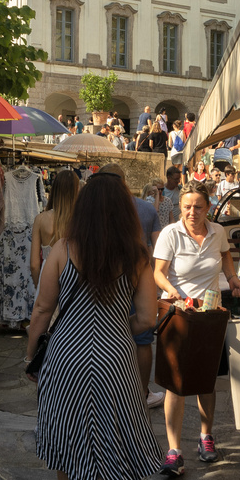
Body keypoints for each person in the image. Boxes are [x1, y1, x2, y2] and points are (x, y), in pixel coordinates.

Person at [25, 173, 162, 480]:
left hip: (65, 358)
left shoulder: (63, 250)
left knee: (68, 443)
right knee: (106, 457)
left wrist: (32, 356)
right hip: (114, 362)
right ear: (125, 210)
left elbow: (41, 313)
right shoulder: (138, 256)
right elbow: (146, 318)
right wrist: (115, 319)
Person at [153, 180, 240, 476]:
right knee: (175, 384)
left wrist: (232, 277)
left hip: (209, 317)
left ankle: (206, 437)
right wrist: (173, 292)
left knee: (206, 380)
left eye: (198, 207)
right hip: (179, 317)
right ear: (180, 206)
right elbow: (157, 272)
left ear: (208, 207)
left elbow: (224, 255)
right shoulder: (171, 233)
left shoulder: (217, 231)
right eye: (187, 206)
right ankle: (174, 450)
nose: (192, 212)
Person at [103, 166, 163, 409]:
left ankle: (111, 393)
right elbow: (158, 249)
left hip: (107, 280)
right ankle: (142, 393)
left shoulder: (98, 208)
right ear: (125, 181)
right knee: (143, 340)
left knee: (107, 335)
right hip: (139, 278)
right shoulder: (147, 208)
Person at [30, 169, 80, 289]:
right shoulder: (80, 220)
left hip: (47, 282)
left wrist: (39, 286)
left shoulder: (40, 219)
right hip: (72, 285)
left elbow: (34, 265)